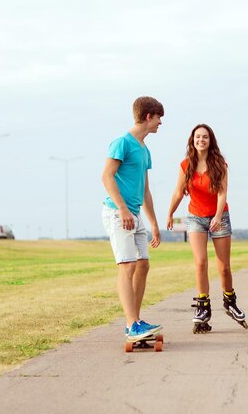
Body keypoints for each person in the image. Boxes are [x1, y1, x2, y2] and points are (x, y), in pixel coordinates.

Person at [167, 124, 248, 334]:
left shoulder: (219, 163)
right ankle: (203, 306)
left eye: (205, 137)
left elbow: (222, 193)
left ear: (210, 140)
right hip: (195, 217)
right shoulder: (186, 165)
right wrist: (169, 213)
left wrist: (219, 216)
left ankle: (229, 300)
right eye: (197, 137)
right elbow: (178, 192)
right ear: (192, 140)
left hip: (219, 216)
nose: (201, 140)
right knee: (200, 263)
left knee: (224, 267)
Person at [101, 96, 164, 342]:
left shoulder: (144, 149)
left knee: (143, 265)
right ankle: (130, 325)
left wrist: (154, 223)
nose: (160, 123)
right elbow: (107, 177)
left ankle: (136, 320)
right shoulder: (122, 143)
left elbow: (145, 189)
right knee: (127, 266)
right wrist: (123, 209)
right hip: (119, 213)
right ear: (148, 116)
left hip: (136, 214)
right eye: (159, 118)